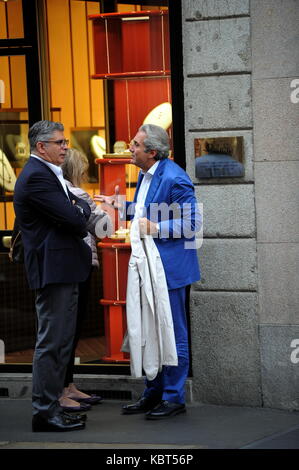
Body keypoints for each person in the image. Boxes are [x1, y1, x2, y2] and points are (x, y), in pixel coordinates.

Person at [94, 124, 201, 420]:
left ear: (151, 152)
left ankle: (173, 397)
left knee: (171, 331)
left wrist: (155, 229)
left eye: (136, 144)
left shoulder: (176, 178)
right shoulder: (145, 173)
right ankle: (153, 393)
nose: (130, 147)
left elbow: (192, 225)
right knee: (149, 331)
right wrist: (122, 206)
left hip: (170, 270)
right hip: (148, 266)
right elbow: (147, 211)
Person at [13, 121, 92, 432]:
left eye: (66, 142)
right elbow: (75, 219)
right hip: (53, 270)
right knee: (52, 342)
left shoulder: (46, 174)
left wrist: (77, 208)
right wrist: (81, 209)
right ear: (40, 147)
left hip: (63, 268)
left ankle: (53, 407)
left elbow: (73, 212)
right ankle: (45, 413)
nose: (65, 147)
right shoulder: (36, 177)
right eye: (59, 142)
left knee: (61, 343)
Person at [59, 148, 112, 411]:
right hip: (80, 267)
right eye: (83, 168)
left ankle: (68, 386)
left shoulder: (62, 191)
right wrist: (109, 207)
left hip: (70, 267)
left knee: (68, 330)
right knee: (70, 330)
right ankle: (63, 389)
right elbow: (104, 228)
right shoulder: (78, 194)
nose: (85, 173)